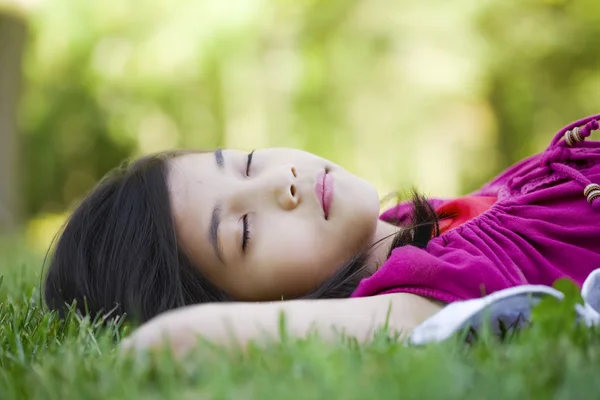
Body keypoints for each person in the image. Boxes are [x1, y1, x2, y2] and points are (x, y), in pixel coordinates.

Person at [44, 114, 600, 355]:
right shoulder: (422, 292)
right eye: (243, 231)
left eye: (244, 163)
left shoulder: (415, 223)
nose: (279, 182)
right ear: (262, 306)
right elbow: (183, 338)